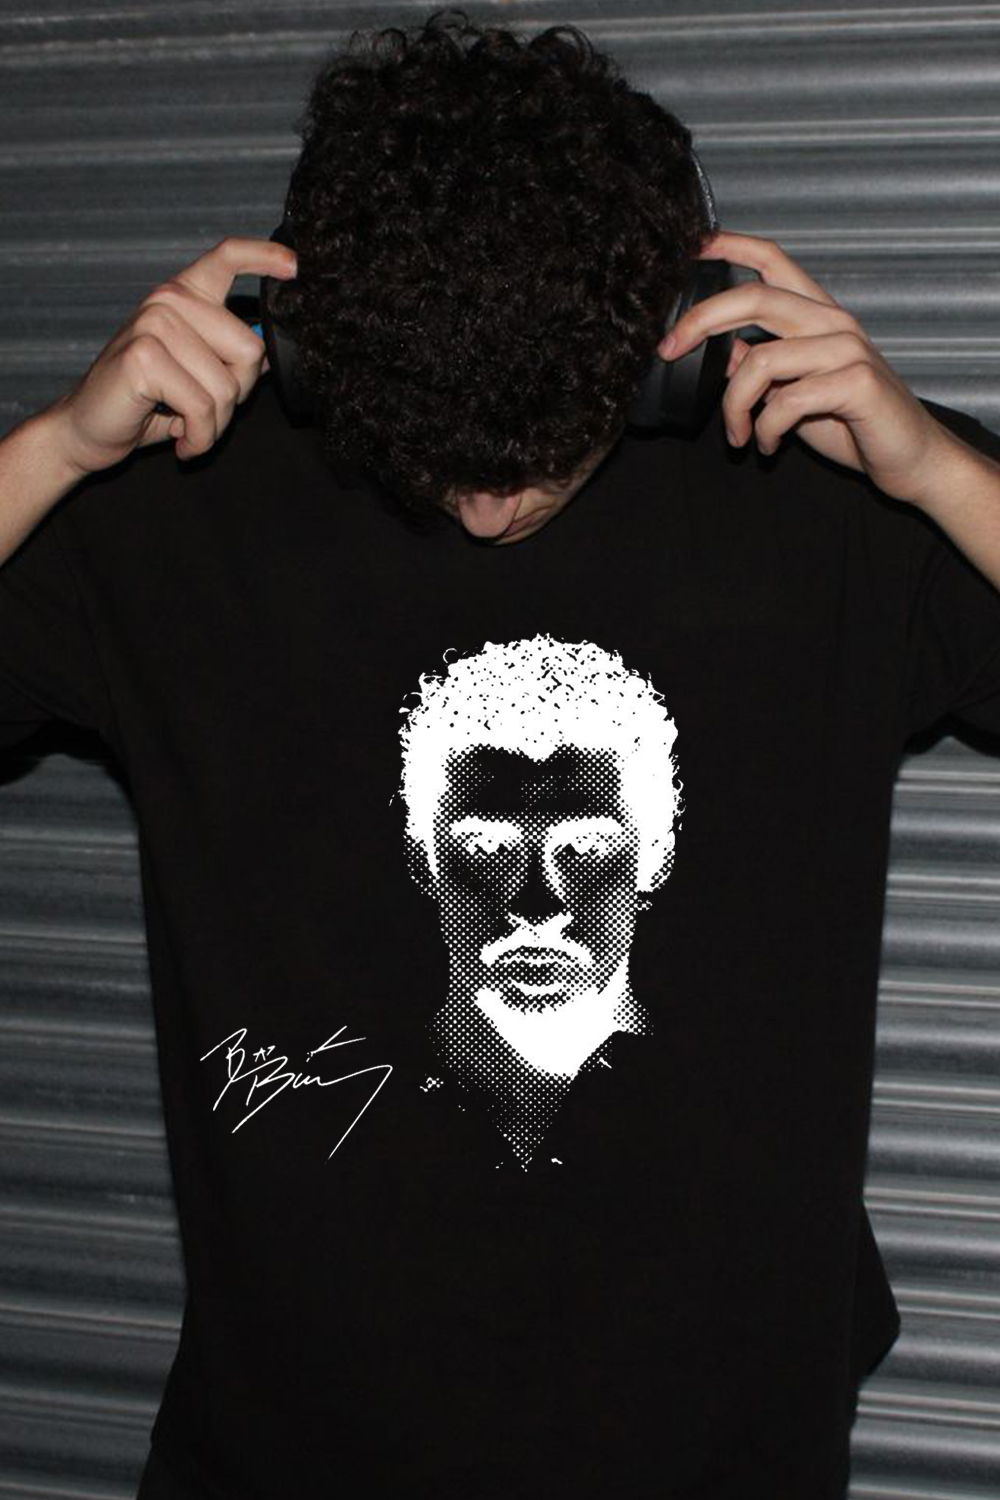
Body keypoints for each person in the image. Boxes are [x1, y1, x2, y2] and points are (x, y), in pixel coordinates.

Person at [2, 10, 1000, 1499]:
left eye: (543, 452)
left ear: (667, 340)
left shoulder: (831, 504)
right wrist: (56, 452)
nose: (485, 507)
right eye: (437, 456)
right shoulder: (170, 513)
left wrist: (934, 467)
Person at [398, 632, 680, 1167]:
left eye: (586, 848)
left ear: (655, 859)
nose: (536, 907)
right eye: (486, 847)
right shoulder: (348, 1106)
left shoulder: (736, 1096)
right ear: (424, 862)